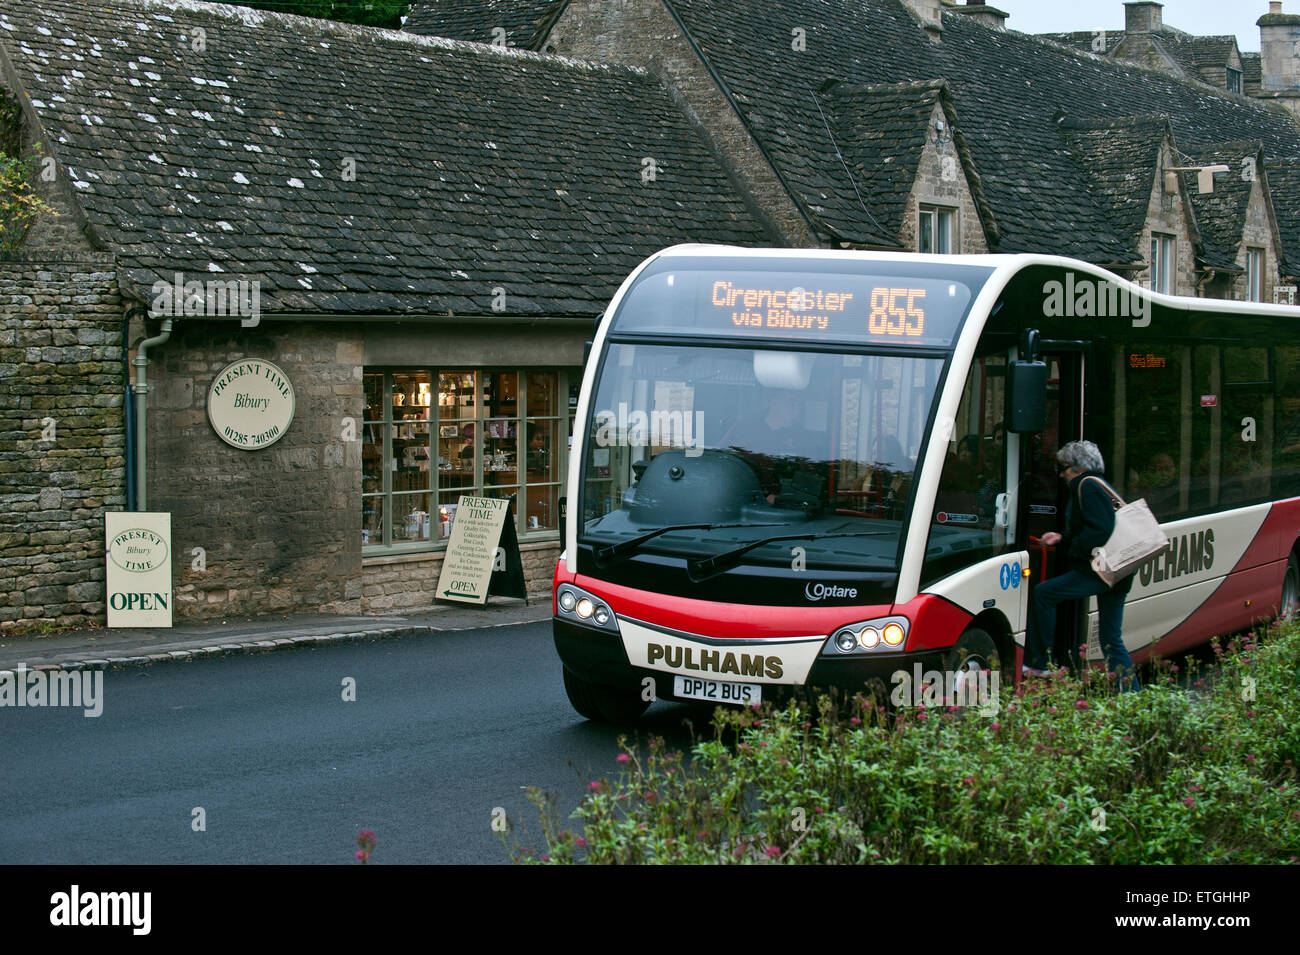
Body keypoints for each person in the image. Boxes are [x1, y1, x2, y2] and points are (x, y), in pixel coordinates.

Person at [1025, 439, 1139, 690]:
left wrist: (1072, 550)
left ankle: (1039, 663)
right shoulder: (1100, 485)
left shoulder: (1086, 486)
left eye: (1063, 468)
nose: (1062, 475)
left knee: (1044, 592)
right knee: (1111, 638)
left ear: (1076, 467)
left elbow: (1099, 530)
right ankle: (1133, 695)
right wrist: (1062, 538)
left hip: (1101, 571)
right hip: (1120, 570)